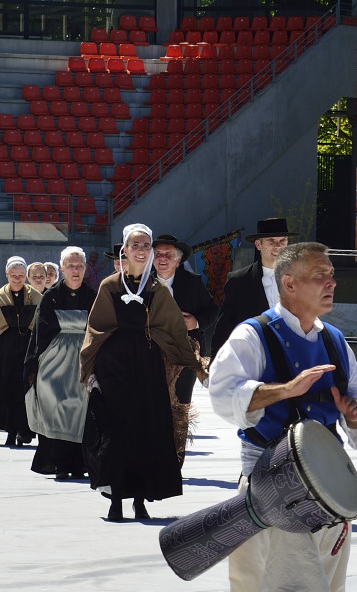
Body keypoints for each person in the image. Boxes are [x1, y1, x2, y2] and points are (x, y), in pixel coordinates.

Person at [208, 242, 357, 592]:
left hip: (323, 481)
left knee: (301, 580)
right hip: (271, 478)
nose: (331, 283)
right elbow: (222, 393)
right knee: (293, 579)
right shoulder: (254, 334)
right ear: (289, 283)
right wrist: (285, 390)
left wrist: (353, 414)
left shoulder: (334, 341)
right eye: (320, 275)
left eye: (331, 274)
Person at [80, 224, 201, 521]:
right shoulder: (110, 285)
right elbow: (95, 329)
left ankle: (140, 498)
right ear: (125, 249)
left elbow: (173, 328)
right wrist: (90, 370)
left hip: (147, 366)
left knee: (145, 429)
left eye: (146, 245)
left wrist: (194, 362)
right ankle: (116, 499)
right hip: (114, 365)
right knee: (116, 430)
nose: (141, 250)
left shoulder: (157, 289)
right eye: (135, 245)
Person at [25, 246, 97, 481]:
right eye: (71, 266)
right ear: (62, 268)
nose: (75, 270)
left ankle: (79, 464)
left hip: (83, 360)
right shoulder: (51, 296)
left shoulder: (94, 296)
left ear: (85, 269)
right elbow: (41, 331)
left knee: (80, 410)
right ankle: (59, 463)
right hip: (54, 360)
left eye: (79, 266)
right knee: (55, 407)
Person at [152, 233, 219, 466]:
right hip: (150, 353)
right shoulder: (141, 282)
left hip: (185, 354)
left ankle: (175, 462)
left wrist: (195, 322)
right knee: (151, 405)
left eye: (168, 255)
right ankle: (151, 461)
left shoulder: (192, 282)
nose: (162, 259)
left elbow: (212, 311)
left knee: (179, 406)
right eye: (158, 254)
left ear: (178, 260)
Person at [0, 256, 43, 447]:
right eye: (13, 275)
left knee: (26, 390)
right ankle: (10, 431)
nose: (17, 278)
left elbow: (43, 323)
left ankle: (24, 430)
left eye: (21, 275)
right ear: (6, 274)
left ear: (26, 275)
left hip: (28, 350)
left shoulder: (36, 297)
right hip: (4, 353)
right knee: (5, 389)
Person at [208, 217, 298, 358]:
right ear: (258, 244)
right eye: (271, 241)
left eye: (282, 241)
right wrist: (215, 366)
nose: (278, 246)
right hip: (253, 361)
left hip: (294, 360)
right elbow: (223, 331)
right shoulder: (239, 281)